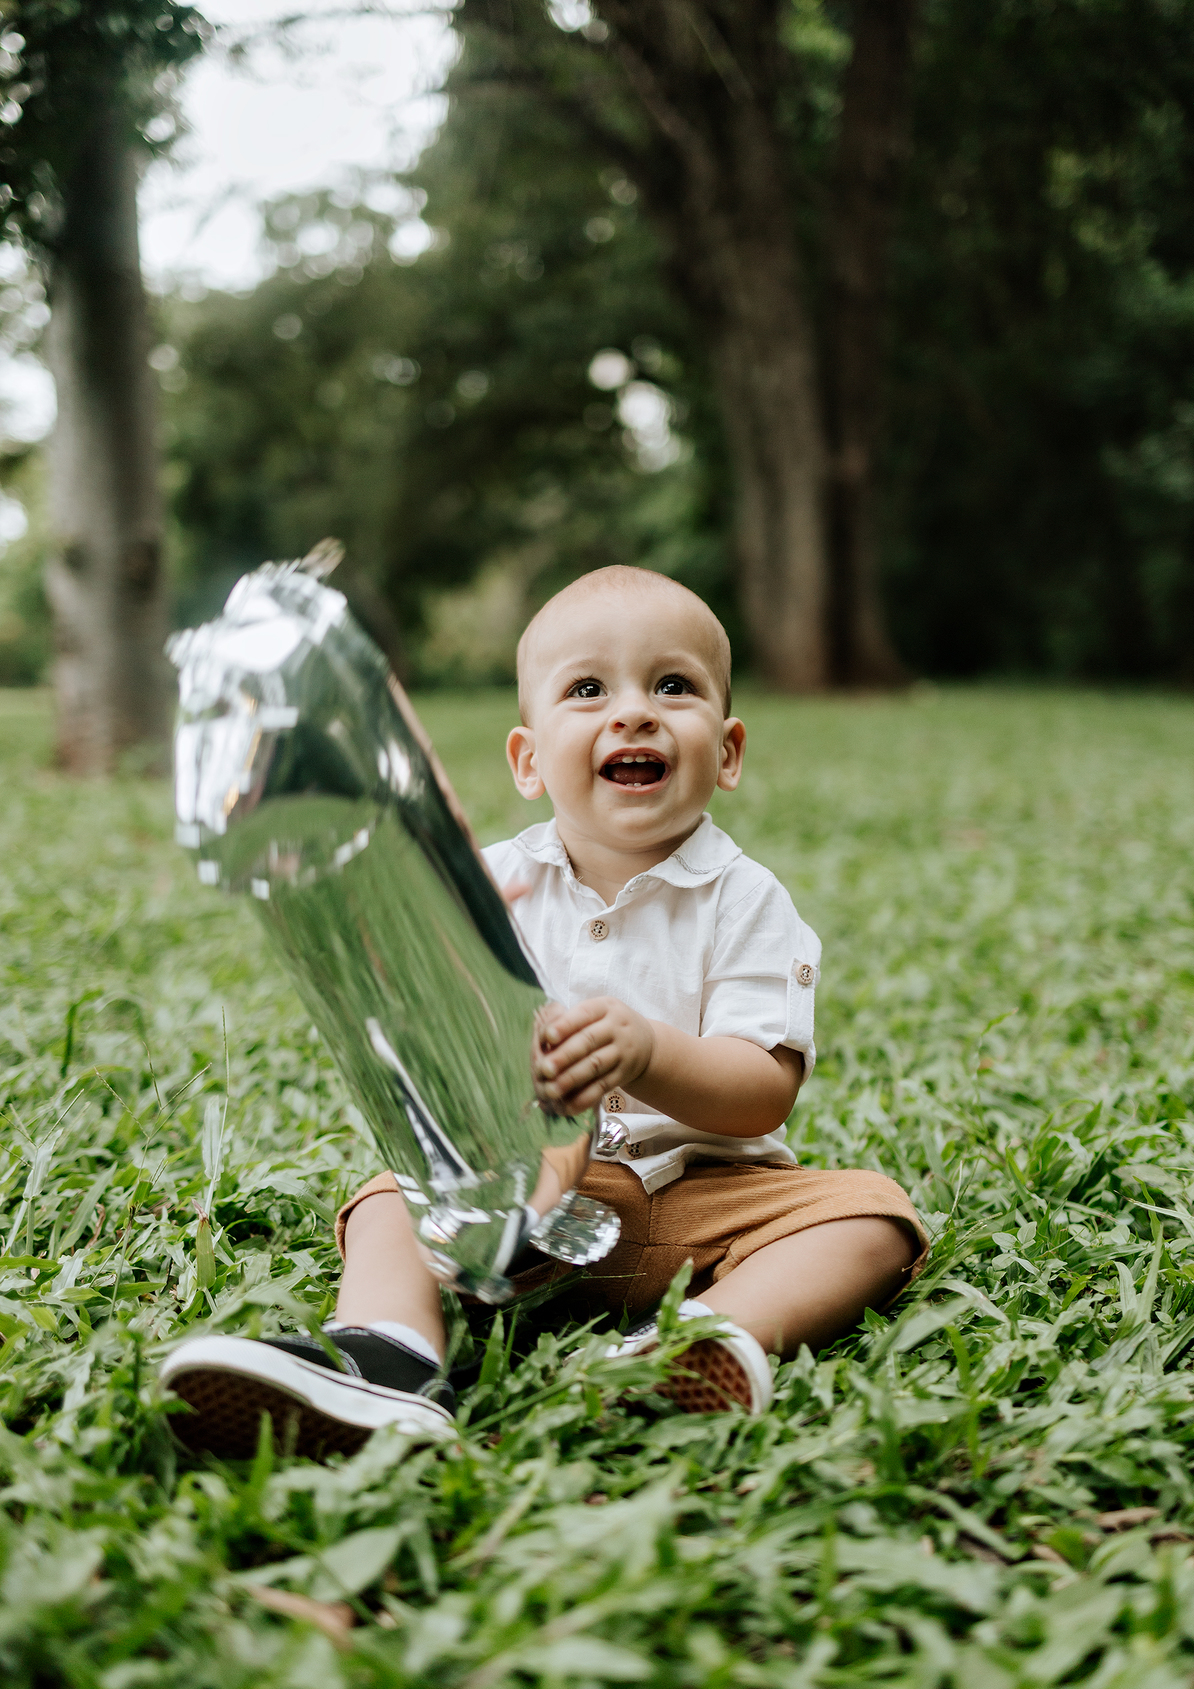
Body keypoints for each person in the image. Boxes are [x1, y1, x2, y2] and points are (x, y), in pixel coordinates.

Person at [160, 566, 927, 1460]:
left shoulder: (746, 898)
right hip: (526, 1200)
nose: (633, 713)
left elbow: (762, 1094)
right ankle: (389, 1354)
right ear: (528, 761)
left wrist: (648, 1052)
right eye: (588, 690)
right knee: (387, 1201)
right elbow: (425, 1035)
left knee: (873, 1217)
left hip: (707, 1199)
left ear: (728, 750)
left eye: (672, 686)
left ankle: (695, 1339)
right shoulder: (492, 884)